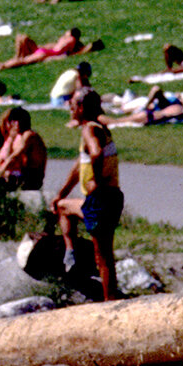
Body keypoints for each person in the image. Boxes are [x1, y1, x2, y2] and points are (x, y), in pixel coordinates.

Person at [51, 89, 123, 300]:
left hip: (101, 199)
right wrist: (61, 193)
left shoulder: (89, 129)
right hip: (106, 198)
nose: (70, 109)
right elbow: (79, 166)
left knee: (103, 258)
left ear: (81, 107)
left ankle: (110, 301)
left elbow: (96, 152)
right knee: (62, 207)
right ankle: (71, 256)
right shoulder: (98, 127)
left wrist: (96, 180)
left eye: (73, 105)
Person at [0, 27, 104, 74]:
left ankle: (4, 66)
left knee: (25, 60)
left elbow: (83, 50)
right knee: (22, 38)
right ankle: (13, 60)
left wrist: (94, 45)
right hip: (43, 50)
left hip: (47, 53)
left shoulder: (71, 40)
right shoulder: (71, 41)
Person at [0, 106, 48, 190]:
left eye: (19, 120)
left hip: (32, 177)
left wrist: (0, 171)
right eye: (14, 121)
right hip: (22, 173)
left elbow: (16, 155)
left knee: (2, 178)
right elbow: (2, 158)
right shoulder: (16, 136)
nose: (17, 124)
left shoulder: (29, 135)